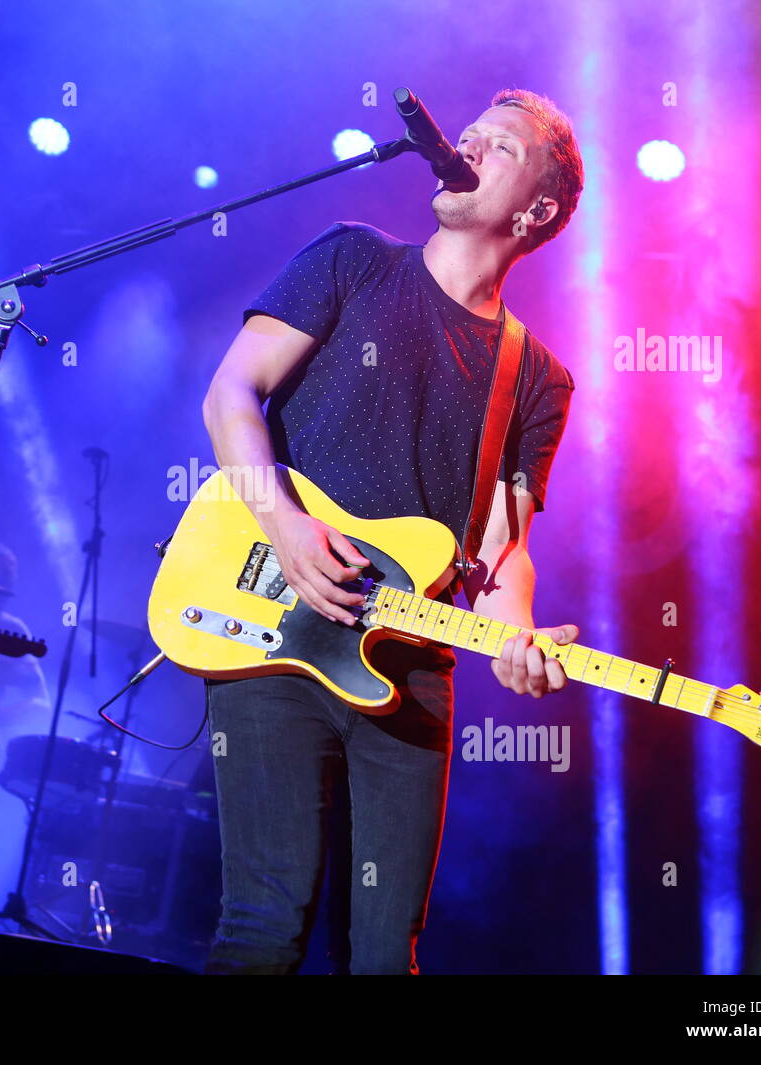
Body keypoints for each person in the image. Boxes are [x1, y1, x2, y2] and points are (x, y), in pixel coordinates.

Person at [199, 89, 584, 974]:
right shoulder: (352, 260)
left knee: (383, 957)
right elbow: (231, 393)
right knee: (264, 925)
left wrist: (517, 637)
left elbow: (501, 549)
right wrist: (286, 528)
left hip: (411, 667)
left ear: (537, 209)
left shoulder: (537, 376)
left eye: (500, 146)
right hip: (273, 630)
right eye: (471, 133)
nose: (468, 143)